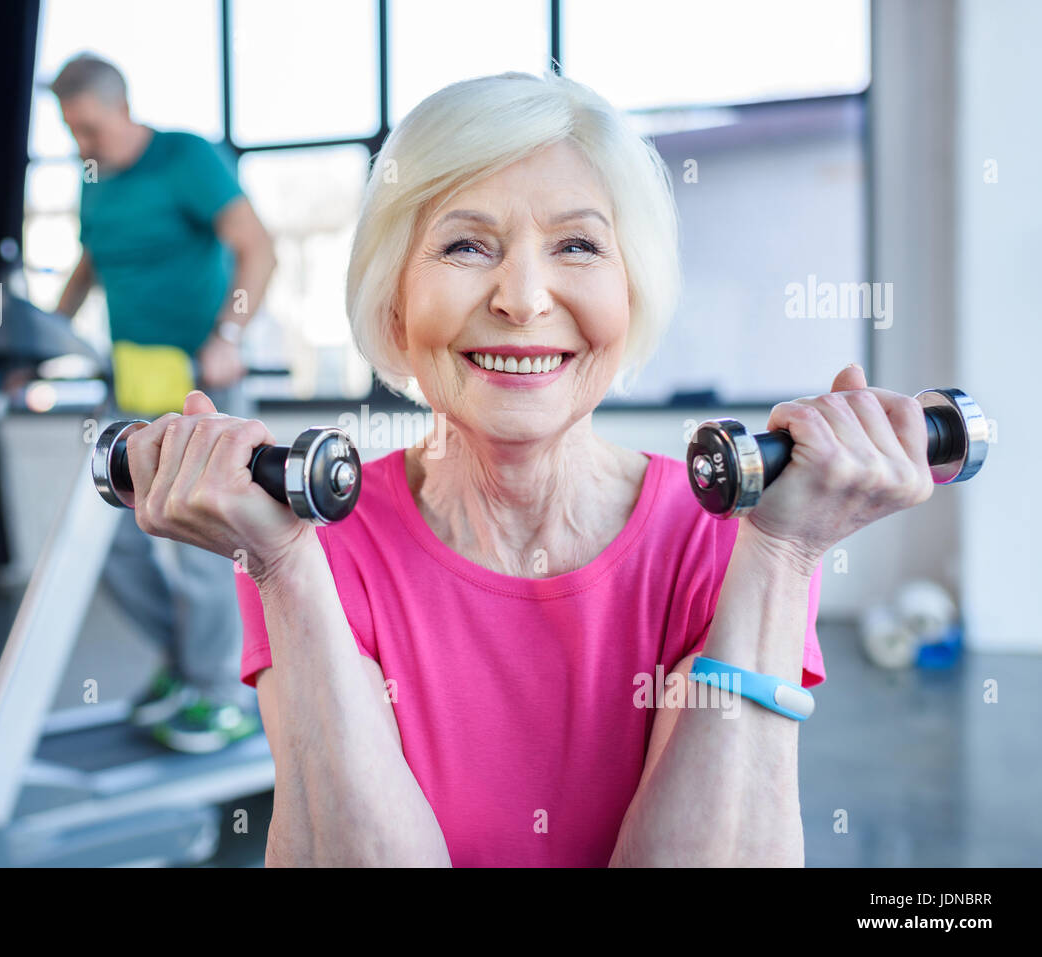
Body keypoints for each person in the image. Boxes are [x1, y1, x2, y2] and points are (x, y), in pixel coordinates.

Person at [119, 71, 936, 865]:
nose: (523, 297)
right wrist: (283, 567)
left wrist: (786, 556)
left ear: (631, 295)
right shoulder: (315, 542)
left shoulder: (728, 535)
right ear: (397, 305)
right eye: (467, 244)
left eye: (577, 244)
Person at [50, 53, 277, 752]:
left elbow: (258, 249)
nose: (82, 145)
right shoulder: (94, 181)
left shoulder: (183, 157)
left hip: (201, 379)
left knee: (205, 535)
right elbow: (91, 264)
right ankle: (190, 663)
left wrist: (228, 332)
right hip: (130, 385)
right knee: (114, 535)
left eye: (88, 127)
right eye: (71, 132)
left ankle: (220, 692)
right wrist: (44, 335)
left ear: (120, 108)